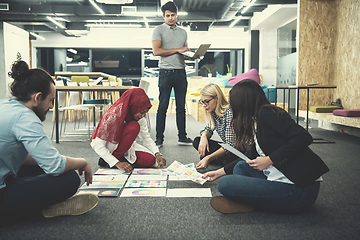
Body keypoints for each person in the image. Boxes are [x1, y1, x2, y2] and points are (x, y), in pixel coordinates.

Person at [204, 79, 329, 214]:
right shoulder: (257, 119)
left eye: (233, 102)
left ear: (243, 102)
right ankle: (249, 202)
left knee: (225, 184)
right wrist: (219, 172)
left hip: (299, 191)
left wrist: (270, 159)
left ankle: (248, 202)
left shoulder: (267, 113)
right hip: (280, 178)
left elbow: (303, 137)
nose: (232, 107)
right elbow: (248, 156)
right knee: (241, 166)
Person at [0, 61, 98, 223]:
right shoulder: (25, 117)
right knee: (69, 178)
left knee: (40, 167)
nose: (51, 106)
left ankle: (29, 199)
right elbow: (55, 166)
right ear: (37, 98)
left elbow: (19, 158)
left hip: (5, 174)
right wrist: (82, 161)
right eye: (51, 100)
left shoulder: (5, 105)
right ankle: (37, 209)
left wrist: (58, 160)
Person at [91, 88, 166, 173]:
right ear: (133, 106)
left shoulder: (139, 118)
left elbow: (146, 138)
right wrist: (116, 163)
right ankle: (111, 160)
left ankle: (122, 161)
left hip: (127, 149)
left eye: (145, 113)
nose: (143, 116)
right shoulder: (112, 116)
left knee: (150, 160)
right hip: (112, 150)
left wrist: (157, 154)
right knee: (134, 126)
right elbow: (96, 145)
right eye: (142, 112)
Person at [152, 1, 195, 147]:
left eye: (173, 15)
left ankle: (182, 137)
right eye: (167, 15)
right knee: (162, 106)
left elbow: (182, 54)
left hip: (181, 73)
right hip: (165, 73)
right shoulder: (158, 30)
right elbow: (157, 52)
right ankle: (159, 138)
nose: (170, 18)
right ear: (163, 16)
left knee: (181, 107)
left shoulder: (183, 32)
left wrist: (191, 56)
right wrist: (178, 49)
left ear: (177, 15)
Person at [192, 83, 238, 169]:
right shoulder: (212, 111)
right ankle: (224, 161)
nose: (204, 105)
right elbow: (209, 128)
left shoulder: (229, 112)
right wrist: (204, 136)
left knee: (230, 157)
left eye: (206, 101)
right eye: (202, 102)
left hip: (237, 150)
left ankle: (225, 161)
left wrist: (208, 158)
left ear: (217, 98)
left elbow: (230, 145)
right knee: (197, 141)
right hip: (227, 147)